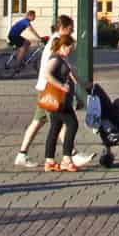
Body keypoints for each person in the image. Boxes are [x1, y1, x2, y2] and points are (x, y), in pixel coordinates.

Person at [15, 14, 78, 167]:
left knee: (40, 122)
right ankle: (71, 156)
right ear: (62, 28)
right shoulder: (57, 43)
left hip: (47, 89)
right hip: (50, 91)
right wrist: (62, 85)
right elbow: (51, 68)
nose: (72, 31)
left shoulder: (58, 41)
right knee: (63, 122)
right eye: (70, 29)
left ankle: (23, 154)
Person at [38, 33, 83, 171]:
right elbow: (47, 74)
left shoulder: (62, 59)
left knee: (55, 128)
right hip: (59, 100)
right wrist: (61, 86)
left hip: (61, 101)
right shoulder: (56, 59)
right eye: (70, 48)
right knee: (72, 124)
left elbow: (71, 74)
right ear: (63, 47)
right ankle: (66, 159)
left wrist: (82, 84)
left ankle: (49, 161)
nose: (72, 50)